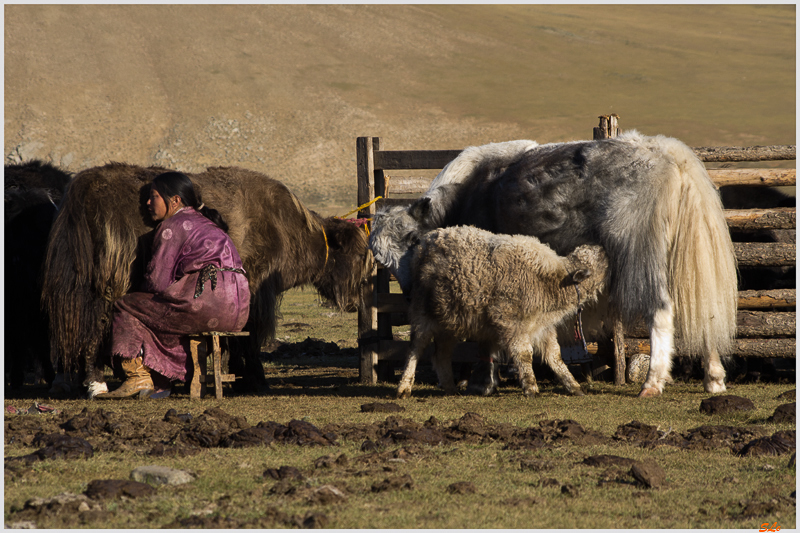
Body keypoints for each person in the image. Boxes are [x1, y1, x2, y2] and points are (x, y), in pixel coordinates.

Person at [96, 172, 250, 399]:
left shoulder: (173, 226)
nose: (148, 203)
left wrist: (139, 291)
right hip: (238, 310)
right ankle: (160, 382)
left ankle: (137, 376)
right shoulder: (207, 224)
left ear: (175, 200)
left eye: (154, 197)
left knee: (127, 306)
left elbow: (156, 282)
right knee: (161, 315)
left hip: (206, 303)